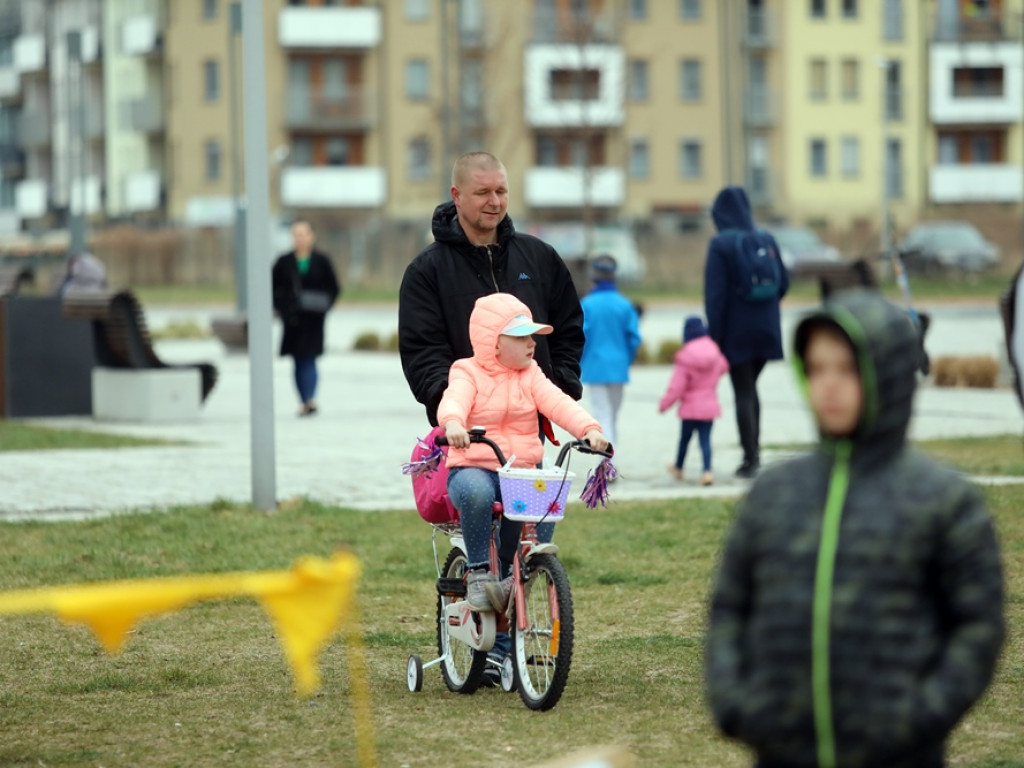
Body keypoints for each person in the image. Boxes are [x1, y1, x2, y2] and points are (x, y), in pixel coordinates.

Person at [705, 289, 1005, 768]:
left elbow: (978, 626)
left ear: (885, 374)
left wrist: (919, 717)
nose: (828, 385)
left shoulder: (943, 501)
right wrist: (737, 703)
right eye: (818, 369)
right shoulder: (775, 494)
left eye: (846, 369)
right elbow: (730, 607)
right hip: (783, 751)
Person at [437, 292, 608, 615]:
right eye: (521, 336)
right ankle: (477, 572)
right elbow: (454, 399)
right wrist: (453, 423)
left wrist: (589, 430)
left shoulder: (531, 374)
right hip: (474, 466)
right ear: (494, 342)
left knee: (544, 500)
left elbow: (558, 403)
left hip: (518, 471)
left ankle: (527, 572)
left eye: (532, 336)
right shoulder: (467, 371)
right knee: (476, 492)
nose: (532, 343)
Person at [398, 151, 584, 428]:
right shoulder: (426, 271)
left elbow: (568, 328)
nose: (494, 202)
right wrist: (449, 404)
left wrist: (557, 385)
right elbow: (423, 350)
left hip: (530, 424)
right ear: (457, 195)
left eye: (501, 191)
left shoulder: (540, 257)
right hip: (466, 429)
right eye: (483, 192)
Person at [704, 185, 789, 479]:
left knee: (743, 390)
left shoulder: (721, 244)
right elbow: (784, 284)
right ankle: (754, 452)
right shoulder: (766, 238)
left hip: (736, 331)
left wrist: (714, 337)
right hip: (767, 328)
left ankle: (750, 458)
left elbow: (714, 297)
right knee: (752, 388)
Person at [271, 219, 341, 416]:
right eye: (295, 234)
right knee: (298, 360)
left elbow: (333, 288)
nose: (299, 238)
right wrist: (283, 307)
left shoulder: (322, 260)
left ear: (312, 236)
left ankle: (309, 399)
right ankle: (304, 400)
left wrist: (324, 306)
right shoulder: (283, 262)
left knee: (310, 358)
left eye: (303, 234)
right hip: (292, 321)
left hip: (314, 320)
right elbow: (273, 289)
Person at [658, 315, 729, 486]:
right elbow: (724, 367)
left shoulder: (685, 356)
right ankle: (707, 472)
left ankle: (679, 467)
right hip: (709, 406)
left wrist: (665, 404)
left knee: (684, 439)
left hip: (690, 408)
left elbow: (677, 386)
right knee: (705, 440)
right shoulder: (715, 350)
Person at [579, 254, 642, 447]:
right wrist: (627, 359)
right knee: (612, 416)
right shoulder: (624, 305)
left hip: (595, 366)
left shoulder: (587, 304)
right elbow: (634, 338)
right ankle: (609, 461)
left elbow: (580, 336)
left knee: (601, 414)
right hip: (618, 367)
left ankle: (606, 463)